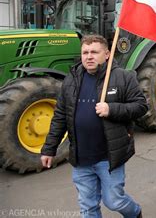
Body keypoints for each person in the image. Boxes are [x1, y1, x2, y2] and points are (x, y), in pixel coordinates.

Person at [41, 35, 148, 218]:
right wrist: (49, 148)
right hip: (81, 158)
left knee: (114, 201)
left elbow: (141, 106)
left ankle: (135, 212)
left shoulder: (123, 77)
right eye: (85, 52)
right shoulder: (71, 80)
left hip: (109, 157)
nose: (89, 56)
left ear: (107, 54)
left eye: (94, 52)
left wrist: (112, 109)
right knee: (88, 206)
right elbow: (60, 116)